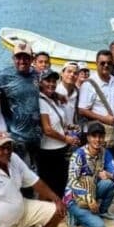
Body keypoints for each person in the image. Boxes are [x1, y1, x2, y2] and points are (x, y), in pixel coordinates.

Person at [64, 122, 114, 227]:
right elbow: (72, 182)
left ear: (104, 138)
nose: (98, 140)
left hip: (93, 190)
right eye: (94, 136)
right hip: (76, 197)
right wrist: (89, 199)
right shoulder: (78, 155)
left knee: (111, 181)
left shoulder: (105, 153)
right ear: (88, 138)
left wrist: (109, 174)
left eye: (100, 136)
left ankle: (102, 211)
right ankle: (73, 212)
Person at [0, 41, 42, 169]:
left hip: (37, 135)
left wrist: (58, 95)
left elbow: (47, 90)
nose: (22, 61)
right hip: (17, 137)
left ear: (32, 58)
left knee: (37, 173)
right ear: (13, 58)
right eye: (18, 57)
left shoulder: (36, 74)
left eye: (26, 57)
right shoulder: (2, 76)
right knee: (21, 175)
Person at [38, 70, 81, 199]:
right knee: (49, 184)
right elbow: (47, 129)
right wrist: (66, 138)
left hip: (60, 148)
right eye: (47, 81)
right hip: (48, 150)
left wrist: (67, 129)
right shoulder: (40, 101)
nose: (51, 84)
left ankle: (59, 212)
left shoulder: (54, 99)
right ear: (40, 83)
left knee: (61, 182)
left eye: (53, 81)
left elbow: (57, 121)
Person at [78, 51, 114, 171]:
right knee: (97, 169)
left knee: (113, 168)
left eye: (109, 63)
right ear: (96, 63)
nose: (106, 66)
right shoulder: (89, 84)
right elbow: (82, 110)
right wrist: (104, 119)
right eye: (102, 63)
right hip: (98, 137)